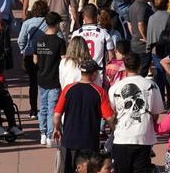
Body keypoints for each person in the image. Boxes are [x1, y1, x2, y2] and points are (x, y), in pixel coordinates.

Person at [54, 59, 115, 173]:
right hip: (89, 140)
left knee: (68, 168)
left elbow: (57, 114)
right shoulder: (99, 91)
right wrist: (116, 131)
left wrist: (57, 128)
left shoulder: (68, 88)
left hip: (69, 140)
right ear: (94, 74)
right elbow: (109, 118)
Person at [108, 51, 164, 173]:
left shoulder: (115, 87)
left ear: (125, 67)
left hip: (122, 136)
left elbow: (112, 114)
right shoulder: (151, 85)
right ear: (140, 66)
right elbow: (156, 113)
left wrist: (115, 127)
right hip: (143, 136)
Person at [35, 12, 66, 147]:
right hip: (54, 78)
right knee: (52, 108)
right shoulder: (59, 42)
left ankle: (42, 133)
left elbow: (35, 60)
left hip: (41, 77)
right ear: (57, 24)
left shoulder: (39, 39)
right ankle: (49, 135)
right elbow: (63, 60)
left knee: (43, 107)